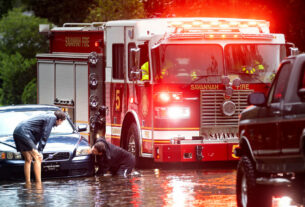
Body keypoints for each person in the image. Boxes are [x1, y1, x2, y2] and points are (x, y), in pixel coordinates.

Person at [13, 110, 66, 184]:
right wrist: (40, 151)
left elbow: (37, 135)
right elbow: (45, 134)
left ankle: (28, 184)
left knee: (28, 159)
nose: (60, 124)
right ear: (59, 120)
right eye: (62, 122)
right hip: (24, 132)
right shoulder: (52, 117)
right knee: (38, 157)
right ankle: (39, 184)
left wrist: (35, 148)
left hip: (17, 132)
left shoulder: (47, 116)